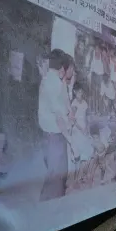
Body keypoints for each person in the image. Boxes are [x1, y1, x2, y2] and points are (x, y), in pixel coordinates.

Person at [38, 49, 74, 201]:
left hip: (50, 135)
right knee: (56, 177)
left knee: (55, 174)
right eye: (71, 69)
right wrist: (72, 141)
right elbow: (59, 118)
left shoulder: (49, 80)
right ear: (62, 69)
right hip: (55, 136)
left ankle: (49, 205)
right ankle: (49, 210)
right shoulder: (55, 84)